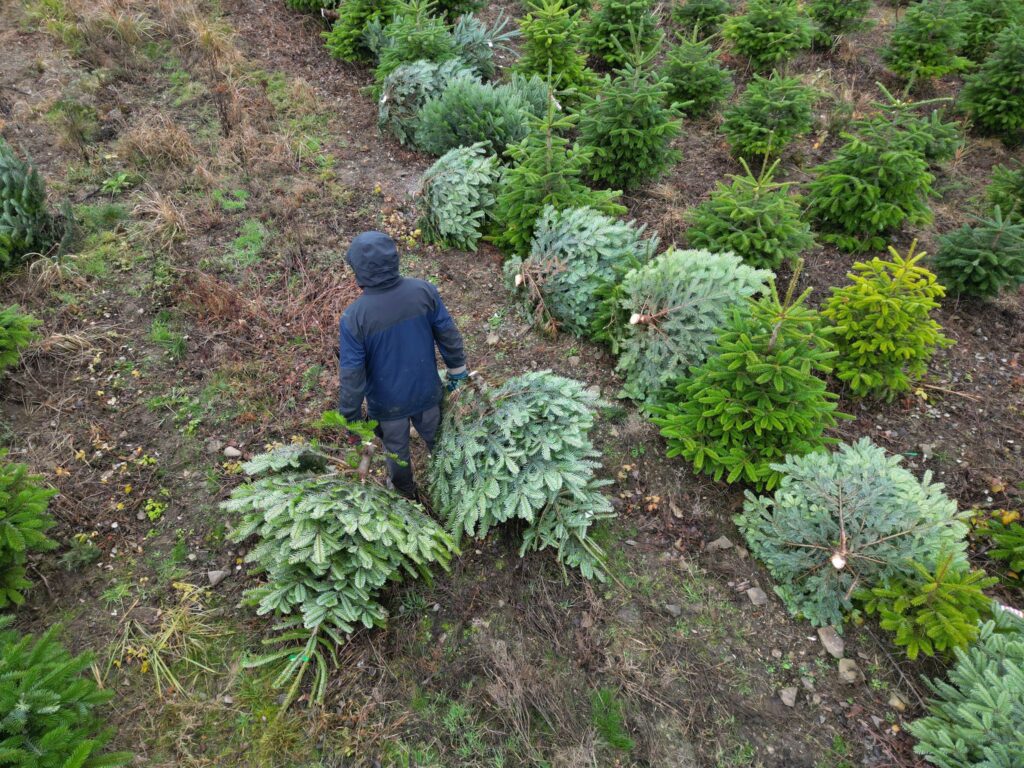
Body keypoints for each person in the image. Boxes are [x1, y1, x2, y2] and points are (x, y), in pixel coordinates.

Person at [338, 231, 468, 499]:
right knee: (440, 441)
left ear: (358, 270)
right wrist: (458, 371)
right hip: (427, 394)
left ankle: (407, 497)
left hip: (387, 408)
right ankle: (455, 486)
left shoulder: (354, 317)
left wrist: (351, 418)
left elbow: (352, 374)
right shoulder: (423, 290)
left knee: (397, 456)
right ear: (394, 258)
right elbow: (448, 333)